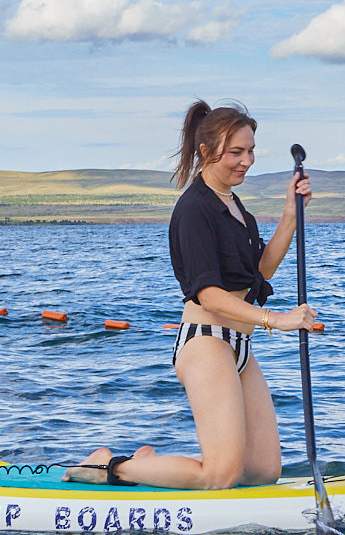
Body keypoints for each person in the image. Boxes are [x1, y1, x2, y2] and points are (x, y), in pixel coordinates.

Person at [65, 101, 316, 490]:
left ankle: (148, 463)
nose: (246, 161)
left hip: (240, 344)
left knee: (264, 471)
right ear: (206, 151)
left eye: (250, 151)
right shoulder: (194, 209)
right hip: (206, 343)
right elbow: (209, 295)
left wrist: (290, 215)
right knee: (221, 474)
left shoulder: (236, 209)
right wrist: (277, 321)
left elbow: (259, 273)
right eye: (236, 152)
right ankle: (111, 466)